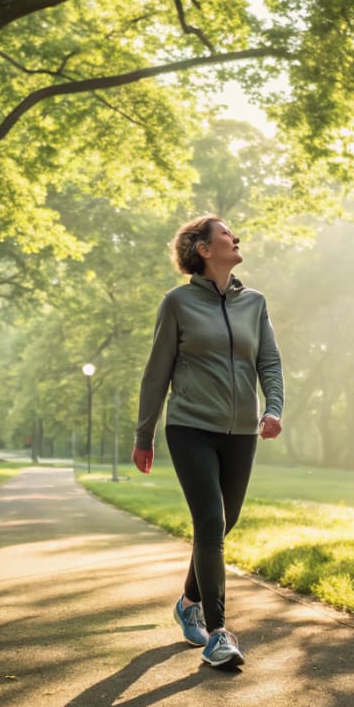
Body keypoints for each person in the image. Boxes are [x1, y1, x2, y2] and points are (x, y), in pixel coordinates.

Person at [132, 214, 284, 668]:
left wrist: (272, 408)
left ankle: (187, 601)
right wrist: (145, 435)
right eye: (225, 235)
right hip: (190, 426)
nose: (235, 239)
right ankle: (219, 633)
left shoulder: (254, 303)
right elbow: (156, 372)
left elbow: (270, 363)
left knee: (224, 522)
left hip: (241, 431)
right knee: (210, 521)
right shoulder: (178, 303)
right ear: (203, 249)